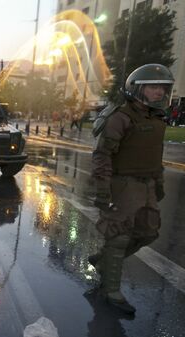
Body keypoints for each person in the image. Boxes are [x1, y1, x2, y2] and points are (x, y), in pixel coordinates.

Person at [89, 64, 174, 315]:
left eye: (162, 88)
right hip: (123, 185)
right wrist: (103, 191)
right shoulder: (121, 117)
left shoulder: (156, 119)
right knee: (119, 236)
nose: (159, 92)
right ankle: (110, 290)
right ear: (138, 89)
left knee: (148, 232)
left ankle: (103, 261)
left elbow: (154, 157)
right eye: (153, 87)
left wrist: (158, 183)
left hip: (147, 184)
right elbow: (102, 155)